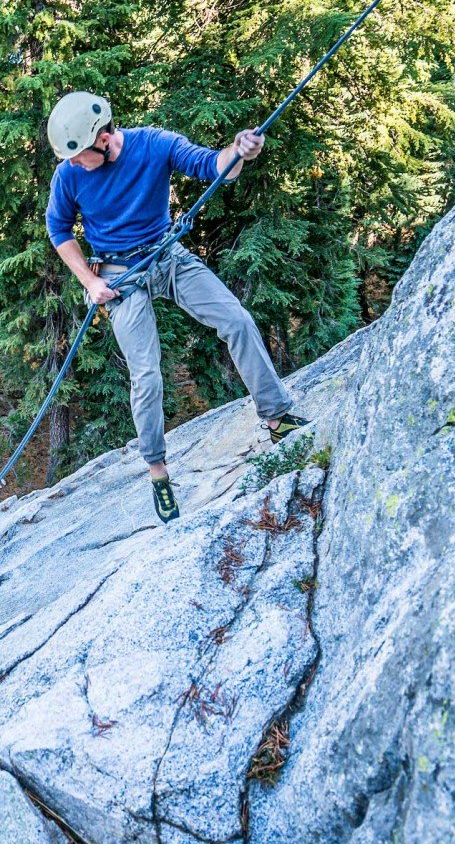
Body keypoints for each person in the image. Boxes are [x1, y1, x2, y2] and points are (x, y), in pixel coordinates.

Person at [45, 90, 309, 524]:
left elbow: (213, 166)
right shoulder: (69, 174)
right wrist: (91, 282)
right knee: (146, 372)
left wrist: (240, 151)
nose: (73, 164)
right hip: (118, 275)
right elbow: (59, 229)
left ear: (105, 140)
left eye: (79, 156)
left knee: (237, 321)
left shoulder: (154, 144)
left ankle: (276, 417)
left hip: (166, 256)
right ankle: (157, 470)